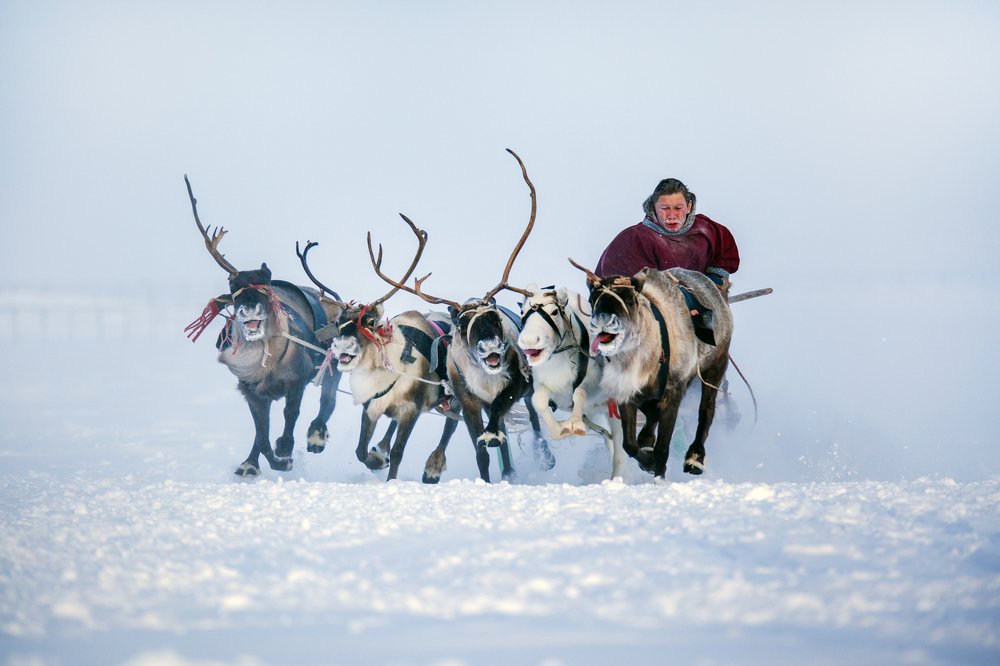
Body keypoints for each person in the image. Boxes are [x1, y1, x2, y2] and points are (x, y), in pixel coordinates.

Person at [595, 178, 739, 296]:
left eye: (678, 208)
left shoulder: (707, 229)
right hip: (653, 319)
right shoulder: (633, 239)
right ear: (654, 207)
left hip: (700, 311)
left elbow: (724, 253)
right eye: (664, 208)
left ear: (689, 207)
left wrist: (714, 284)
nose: (671, 215)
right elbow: (613, 283)